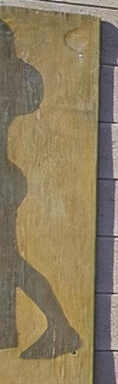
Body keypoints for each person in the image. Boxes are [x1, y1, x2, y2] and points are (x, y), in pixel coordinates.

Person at [0, 18, 81, 362]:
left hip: (4, 179)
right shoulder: (19, 75)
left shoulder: (12, 76)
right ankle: (59, 328)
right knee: (9, 262)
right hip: (8, 176)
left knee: (10, 262)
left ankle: (61, 328)